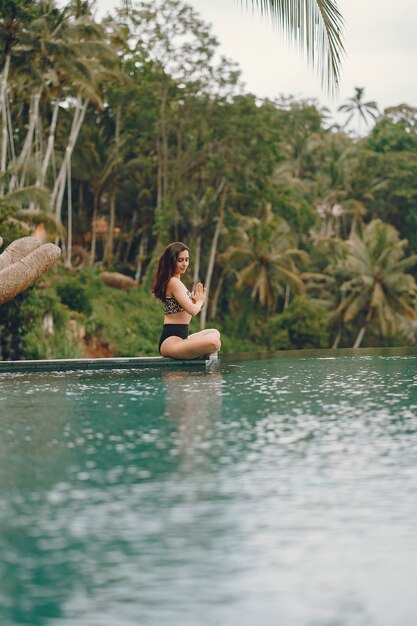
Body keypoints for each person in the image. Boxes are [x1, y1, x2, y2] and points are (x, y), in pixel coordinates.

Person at [152, 242, 221, 359]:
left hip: (181, 338)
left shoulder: (177, 282)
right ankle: (197, 354)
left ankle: (196, 354)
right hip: (171, 341)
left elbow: (186, 310)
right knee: (215, 343)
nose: (184, 264)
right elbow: (193, 311)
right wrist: (199, 301)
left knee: (214, 333)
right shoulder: (173, 282)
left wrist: (196, 303)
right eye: (180, 260)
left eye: (187, 260)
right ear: (171, 261)